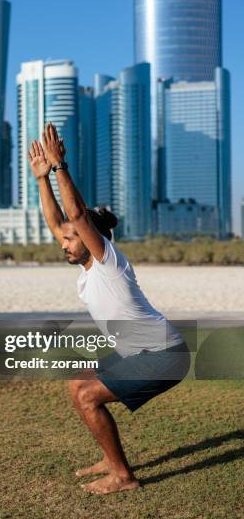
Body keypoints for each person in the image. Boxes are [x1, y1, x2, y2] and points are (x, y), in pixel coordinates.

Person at [27, 122, 191, 495]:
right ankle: (110, 458)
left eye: (71, 239)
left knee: (88, 395)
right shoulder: (86, 264)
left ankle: (123, 477)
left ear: (92, 240)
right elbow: (59, 223)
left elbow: (78, 219)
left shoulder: (107, 261)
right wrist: (41, 180)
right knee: (78, 380)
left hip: (164, 355)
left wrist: (59, 167)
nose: (63, 243)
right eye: (65, 239)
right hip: (140, 351)